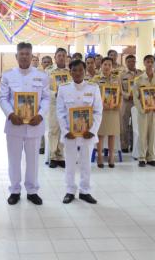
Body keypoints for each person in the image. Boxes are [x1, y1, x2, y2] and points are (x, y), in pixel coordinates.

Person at [0, 42, 50, 205]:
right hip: (14, 125)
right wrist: (10, 113)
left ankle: (32, 190)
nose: (24, 56)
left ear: (32, 55)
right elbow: (3, 98)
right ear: (16, 56)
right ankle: (14, 190)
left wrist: (41, 115)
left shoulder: (42, 76)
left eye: (27, 54)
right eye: (21, 54)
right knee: (13, 159)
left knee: (33, 160)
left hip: (34, 125)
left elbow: (47, 98)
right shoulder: (8, 75)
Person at [57, 59, 102, 204]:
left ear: (85, 71)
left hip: (87, 133)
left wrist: (93, 130)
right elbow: (60, 112)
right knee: (70, 162)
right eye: (74, 70)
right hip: (70, 133)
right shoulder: (63, 89)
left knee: (86, 162)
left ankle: (85, 191)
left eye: (80, 70)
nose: (77, 73)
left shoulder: (93, 88)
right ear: (70, 72)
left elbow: (98, 111)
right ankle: (70, 190)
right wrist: (65, 130)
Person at [132, 55, 155, 167]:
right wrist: (141, 109)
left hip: (154, 111)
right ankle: (142, 158)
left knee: (152, 134)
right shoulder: (139, 80)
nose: (150, 64)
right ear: (144, 63)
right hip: (143, 112)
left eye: (152, 61)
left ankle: (151, 157)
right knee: (142, 134)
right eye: (147, 61)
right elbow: (135, 97)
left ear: (154, 63)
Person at [93, 57, 122, 168]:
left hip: (113, 110)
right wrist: (100, 105)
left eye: (109, 65)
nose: (107, 67)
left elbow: (120, 93)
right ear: (101, 65)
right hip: (101, 110)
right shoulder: (96, 79)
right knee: (100, 134)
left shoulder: (116, 78)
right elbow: (93, 95)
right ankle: (99, 157)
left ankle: (111, 157)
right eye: (105, 64)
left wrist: (118, 104)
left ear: (112, 66)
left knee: (112, 134)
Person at [46, 47, 70, 168]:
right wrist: (54, 94)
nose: (61, 57)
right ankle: (53, 156)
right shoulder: (49, 71)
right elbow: (44, 89)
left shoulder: (70, 71)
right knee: (53, 130)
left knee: (63, 130)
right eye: (59, 55)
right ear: (55, 57)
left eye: (63, 55)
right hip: (54, 104)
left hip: (66, 105)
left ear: (66, 57)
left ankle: (61, 156)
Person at [119, 55, 143, 152]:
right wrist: (127, 96)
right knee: (124, 125)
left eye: (133, 61)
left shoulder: (141, 74)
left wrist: (140, 95)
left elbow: (144, 87)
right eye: (129, 61)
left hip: (137, 102)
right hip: (126, 102)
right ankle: (124, 145)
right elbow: (119, 89)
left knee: (136, 124)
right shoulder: (122, 75)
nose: (131, 63)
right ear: (126, 62)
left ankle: (134, 145)